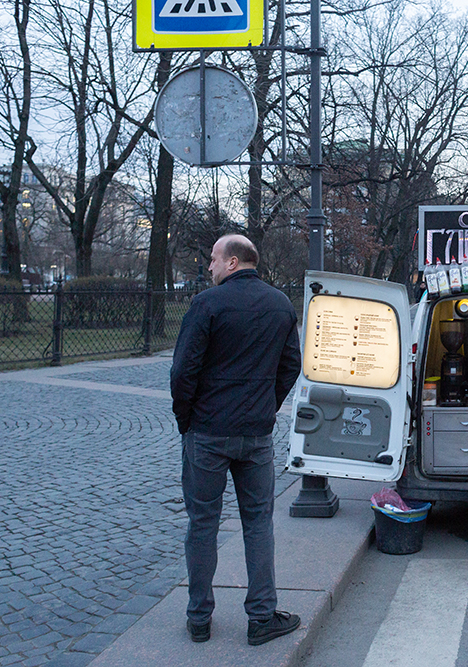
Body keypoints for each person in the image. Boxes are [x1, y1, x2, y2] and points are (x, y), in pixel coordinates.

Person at [170, 234, 302, 645]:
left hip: (208, 431)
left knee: (202, 523)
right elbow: (291, 365)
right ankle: (261, 617)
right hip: (255, 434)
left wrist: (186, 420)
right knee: (258, 523)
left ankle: (199, 618)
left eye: (213, 259)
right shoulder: (280, 304)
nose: (209, 266)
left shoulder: (206, 304)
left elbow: (183, 371)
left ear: (232, 262)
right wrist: (267, 405)